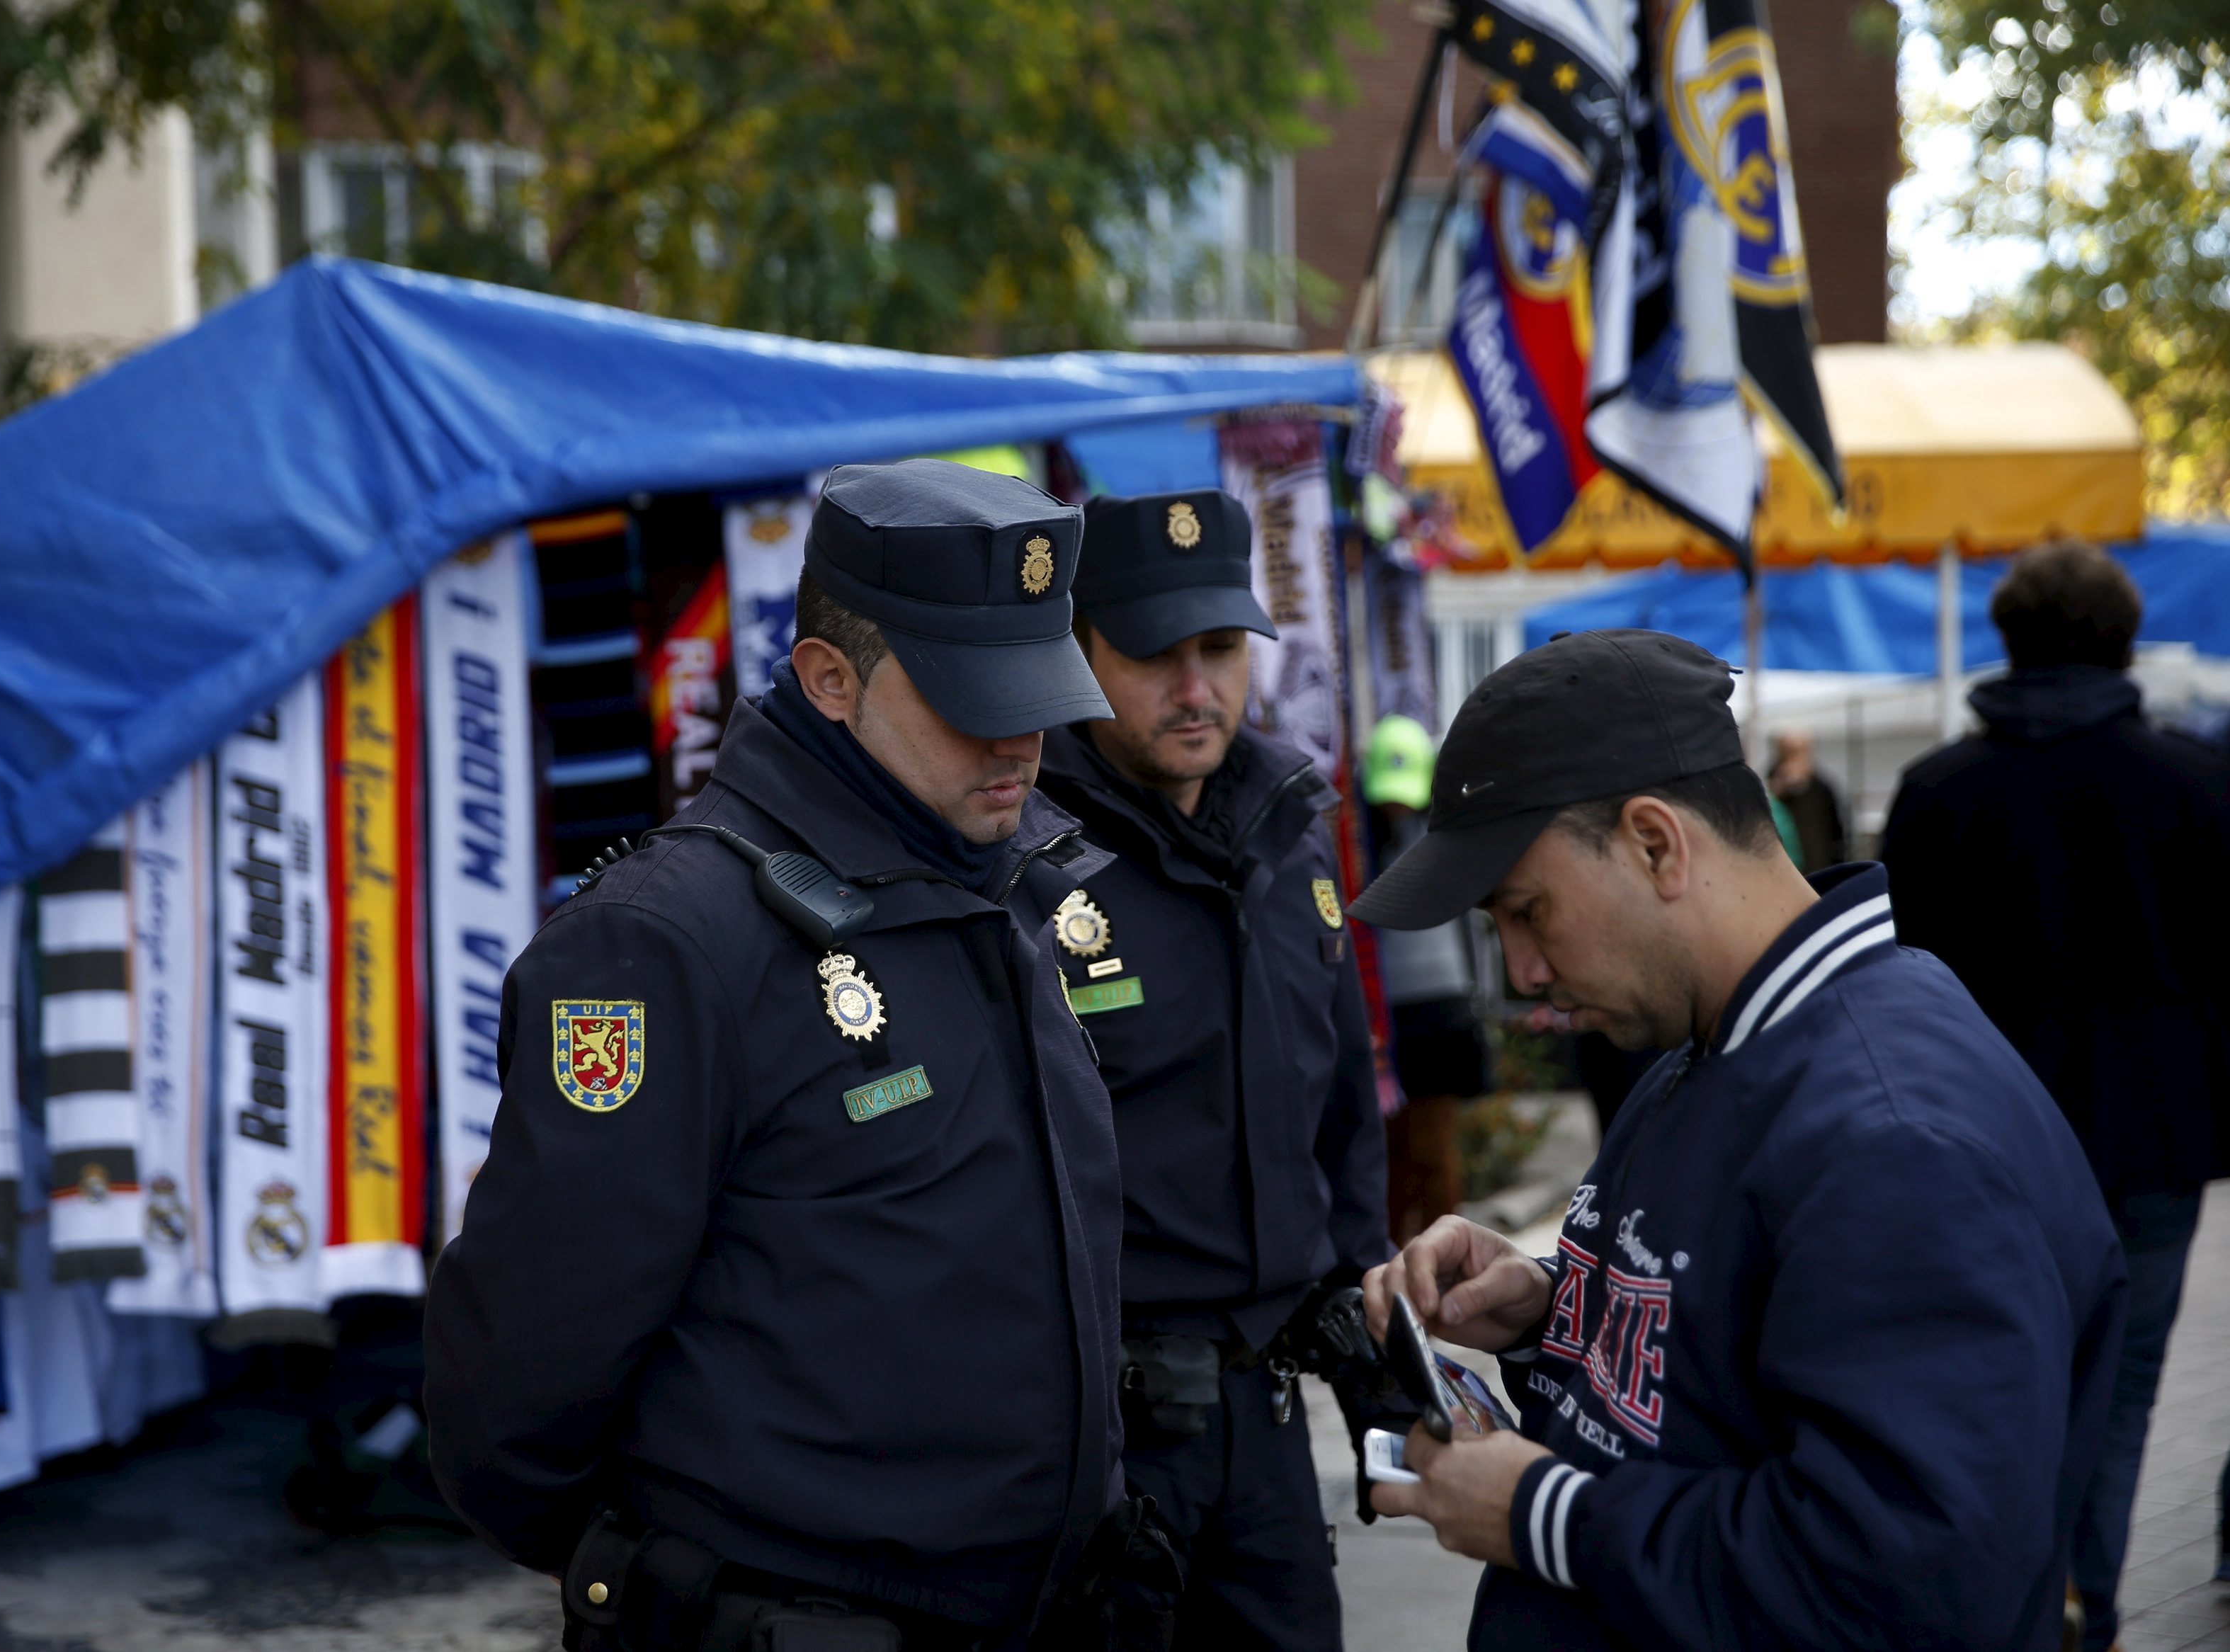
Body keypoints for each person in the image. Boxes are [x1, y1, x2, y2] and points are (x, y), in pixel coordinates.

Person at [426, 460, 1171, 1650]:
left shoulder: (1009, 878)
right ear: (829, 678)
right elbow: (527, 1362)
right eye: (969, 697)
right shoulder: (666, 940)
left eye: (1035, 690)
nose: (1020, 739)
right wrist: (670, 1572)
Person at [1345, 628, 2126, 1651]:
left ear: (1657, 843)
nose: (1525, 970)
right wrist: (1554, 1308)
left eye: (1528, 912)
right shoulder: (1716, 1042)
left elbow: (1907, 1587)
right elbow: (1725, 1367)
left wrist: (1546, 1515)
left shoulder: (1895, 1140)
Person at [1034, 489, 1389, 1648]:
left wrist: (1372, 1322)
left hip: (1270, 1420)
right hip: (1094, 1438)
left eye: (1222, 649)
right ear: (1080, 654)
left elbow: (1340, 1108)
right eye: (1153, 655)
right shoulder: (1022, 861)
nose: (1196, 688)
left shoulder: (1291, 831)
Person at [1882, 537, 2230, 1652]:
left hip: (1983, 1147)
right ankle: (2092, 1605)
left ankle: (2020, 1606)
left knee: (2001, 1382)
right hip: (2158, 1143)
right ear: (2126, 642)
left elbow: (1901, 986)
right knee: (2126, 1387)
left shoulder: (1937, 793)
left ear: (2009, 639)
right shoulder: (2198, 783)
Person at [1360, 714, 1489, 1243]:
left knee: (1432, 1152)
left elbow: (1474, 929)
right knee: (1390, 1155)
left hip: (1442, 1011)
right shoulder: (1360, 842)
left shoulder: (1449, 832)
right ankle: (1399, 1267)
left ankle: (1442, 1258)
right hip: (1386, 1016)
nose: (1398, 803)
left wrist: (1480, 1002)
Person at [1766, 729, 1845, 870]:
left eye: (1799, 751)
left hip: (1819, 865)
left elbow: (1836, 832)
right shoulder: (1771, 788)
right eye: (1789, 752)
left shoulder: (1822, 788)